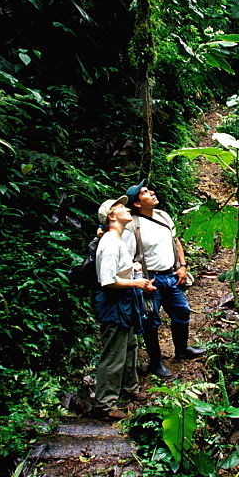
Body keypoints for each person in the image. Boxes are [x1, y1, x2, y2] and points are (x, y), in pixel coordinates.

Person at [123, 180, 205, 378]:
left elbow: (176, 241)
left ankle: (182, 349)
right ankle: (156, 361)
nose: (151, 192)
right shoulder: (132, 226)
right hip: (151, 280)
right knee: (151, 321)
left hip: (171, 275)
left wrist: (183, 267)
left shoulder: (163, 216)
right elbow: (126, 258)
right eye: (145, 192)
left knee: (182, 311)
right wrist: (140, 282)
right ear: (136, 203)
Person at [91, 195, 157, 421]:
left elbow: (118, 271)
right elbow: (107, 280)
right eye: (121, 207)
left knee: (130, 346)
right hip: (114, 304)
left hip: (125, 302)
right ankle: (104, 405)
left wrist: (132, 268)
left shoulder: (116, 241)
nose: (127, 209)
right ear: (111, 216)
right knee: (114, 354)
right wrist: (136, 282)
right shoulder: (110, 243)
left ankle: (129, 388)